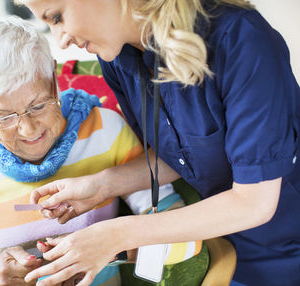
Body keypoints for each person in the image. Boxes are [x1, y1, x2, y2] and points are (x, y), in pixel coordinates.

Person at [16, 1, 300, 286]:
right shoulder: (116, 58)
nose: (61, 41)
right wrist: (101, 185)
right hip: (225, 248)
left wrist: (118, 234)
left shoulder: (240, 38)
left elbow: (254, 202)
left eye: (57, 17)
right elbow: (183, 155)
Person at [0, 16, 200, 286]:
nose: (29, 130)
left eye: (38, 105)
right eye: (4, 116)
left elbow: (187, 240)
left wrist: (110, 250)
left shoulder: (106, 132)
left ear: (54, 81)